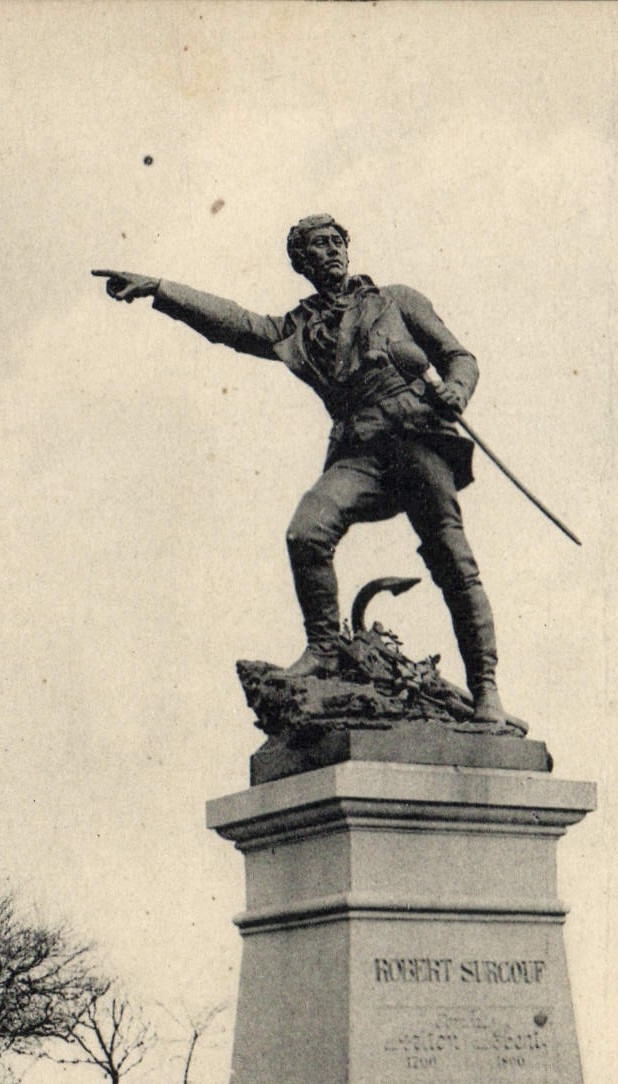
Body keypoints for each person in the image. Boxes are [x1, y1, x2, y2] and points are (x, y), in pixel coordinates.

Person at [94, 216, 514, 725]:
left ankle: (486, 689)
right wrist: (162, 289)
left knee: (452, 560)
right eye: (319, 244)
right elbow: (234, 324)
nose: (333, 249)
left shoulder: (397, 300)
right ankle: (325, 647)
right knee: (306, 533)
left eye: (338, 241)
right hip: (358, 449)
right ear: (301, 261)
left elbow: (459, 356)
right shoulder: (296, 328)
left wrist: (457, 388)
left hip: (417, 439)